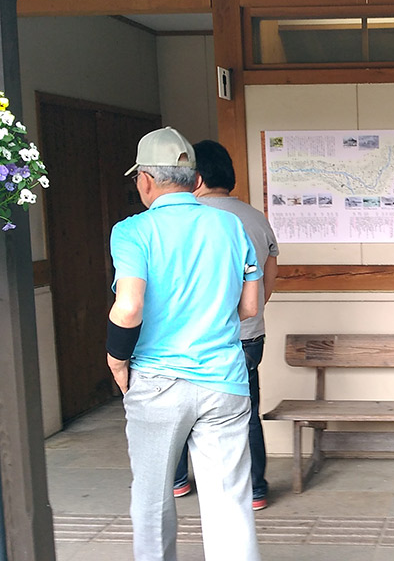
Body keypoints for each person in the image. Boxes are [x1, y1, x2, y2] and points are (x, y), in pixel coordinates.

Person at [106, 127, 261, 561]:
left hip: (157, 381)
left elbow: (129, 306)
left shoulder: (132, 231)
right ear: (194, 180)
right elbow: (250, 307)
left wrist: (117, 360)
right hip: (224, 380)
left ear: (146, 180)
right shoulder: (230, 225)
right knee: (230, 501)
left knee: (153, 499)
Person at [173, 139, 279, 511]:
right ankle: (256, 489)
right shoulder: (255, 217)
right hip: (249, 336)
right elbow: (269, 276)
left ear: (195, 176)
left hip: (196, 337)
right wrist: (249, 312)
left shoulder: (187, 218)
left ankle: (179, 481)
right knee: (246, 411)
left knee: (182, 407)